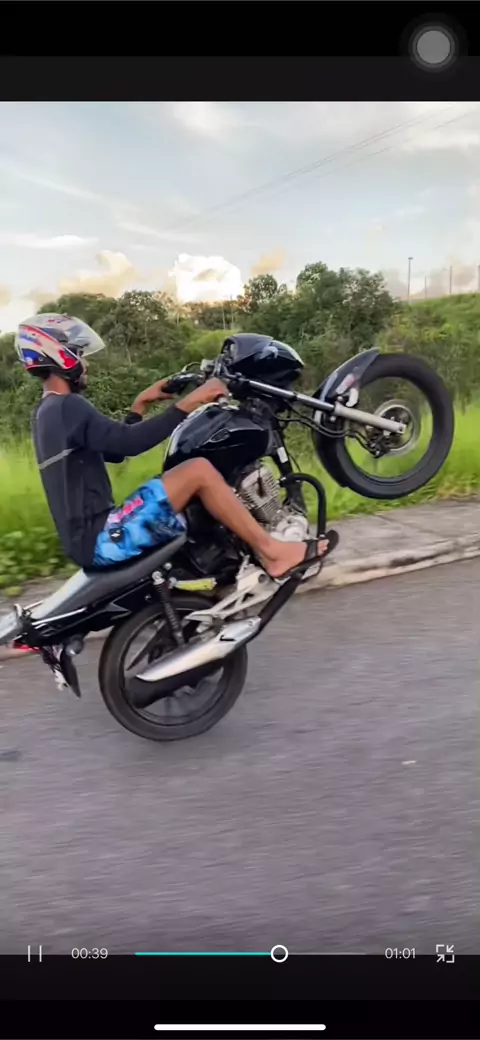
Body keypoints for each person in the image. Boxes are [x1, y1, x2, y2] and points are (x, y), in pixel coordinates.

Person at [15, 314, 337, 580]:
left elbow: (114, 450)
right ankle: (273, 553)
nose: (85, 363)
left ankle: (229, 568)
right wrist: (190, 402)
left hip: (91, 539)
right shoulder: (68, 406)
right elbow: (131, 443)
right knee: (198, 471)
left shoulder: (48, 411)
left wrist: (140, 404)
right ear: (59, 355)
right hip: (103, 537)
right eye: (79, 353)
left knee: (194, 495)